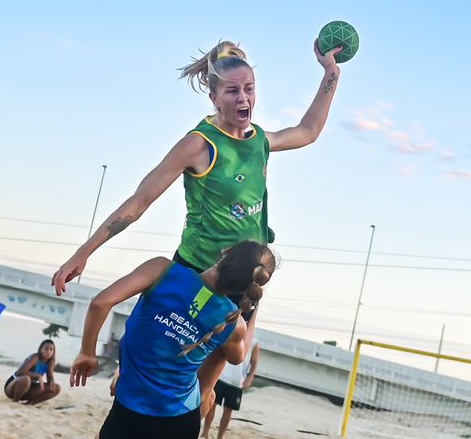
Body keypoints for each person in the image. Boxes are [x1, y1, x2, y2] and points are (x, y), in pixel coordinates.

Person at [51, 39, 343, 306]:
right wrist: (85, 251)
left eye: (249, 89)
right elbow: (139, 202)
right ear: (214, 97)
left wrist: (331, 72)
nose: (243, 98)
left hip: (243, 279)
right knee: (162, 359)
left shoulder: (259, 141)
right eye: (232, 91)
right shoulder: (199, 145)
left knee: (228, 359)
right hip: (195, 274)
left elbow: (308, 132)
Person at [58, 240, 274, 439]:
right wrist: (248, 317)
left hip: (134, 419)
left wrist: (87, 353)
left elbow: (100, 303)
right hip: (181, 427)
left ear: (223, 254)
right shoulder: (233, 323)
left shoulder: (162, 269)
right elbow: (238, 356)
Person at [204, 342, 259, 439]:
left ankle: (220, 436)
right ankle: (205, 432)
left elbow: (254, 363)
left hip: (237, 381)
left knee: (228, 410)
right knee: (212, 404)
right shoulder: (233, 330)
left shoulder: (254, 341)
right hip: (221, 375)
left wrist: (249, 378)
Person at [5, 338, 62, 405]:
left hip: (29, 389)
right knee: (26, 379)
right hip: (13, 387)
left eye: (51, 350)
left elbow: (50, 377)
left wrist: (51, 381)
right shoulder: (35, 357)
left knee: (56, 388)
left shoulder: (51, 362)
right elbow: (19, 372)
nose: (48, 352)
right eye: (46, 349)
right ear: (40, 349)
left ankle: (30, 403)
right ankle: (15, 401)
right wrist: (37, 376)